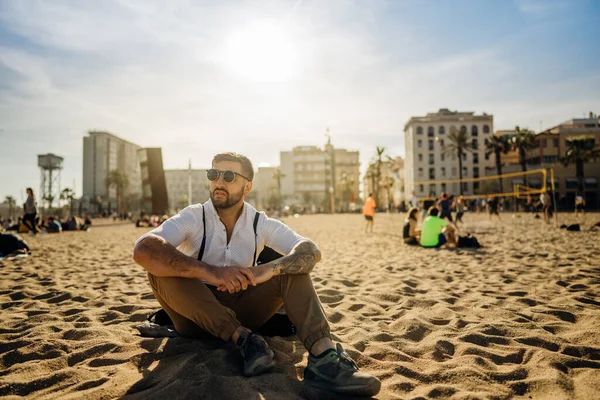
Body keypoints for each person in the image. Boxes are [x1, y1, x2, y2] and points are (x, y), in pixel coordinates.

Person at [133, 152, 380, 397]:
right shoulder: (194, 216)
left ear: (247, 186)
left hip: (245, 311)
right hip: (194, 317)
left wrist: (267, 270)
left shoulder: (259, 223)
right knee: (159, 267)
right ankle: (241, 337)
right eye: (213, 174)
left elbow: (310, 251)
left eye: (229, 176)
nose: (219, 182)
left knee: (293, 269)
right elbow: (143, 247)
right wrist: (212, 272)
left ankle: (324, 359)